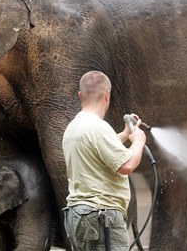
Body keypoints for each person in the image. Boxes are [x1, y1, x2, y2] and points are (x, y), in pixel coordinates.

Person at [62, 70, 147, 251]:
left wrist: (125, 134)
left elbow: (98, 149)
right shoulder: (98, 127)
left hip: (78, 216)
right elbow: (126, 165)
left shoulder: (73, 127)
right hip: (101, 217)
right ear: (107, 95)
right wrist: (138, 142)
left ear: (80, 95)